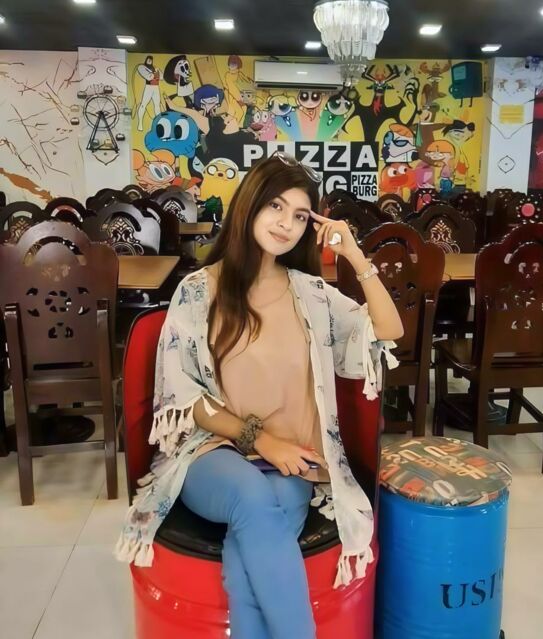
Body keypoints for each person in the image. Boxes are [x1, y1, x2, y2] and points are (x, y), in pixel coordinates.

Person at [115, 152, 404, 639]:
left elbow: (389, 330)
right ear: (249, 205)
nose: (286, 223)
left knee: (250, 544)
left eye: (300, 215)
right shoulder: (198, 290)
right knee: (252, 498)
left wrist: (356, 257)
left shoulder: (311, 293)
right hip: (212, 452)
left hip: (294, 461)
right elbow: (186, 397)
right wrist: (261, 440)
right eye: (276, 206)